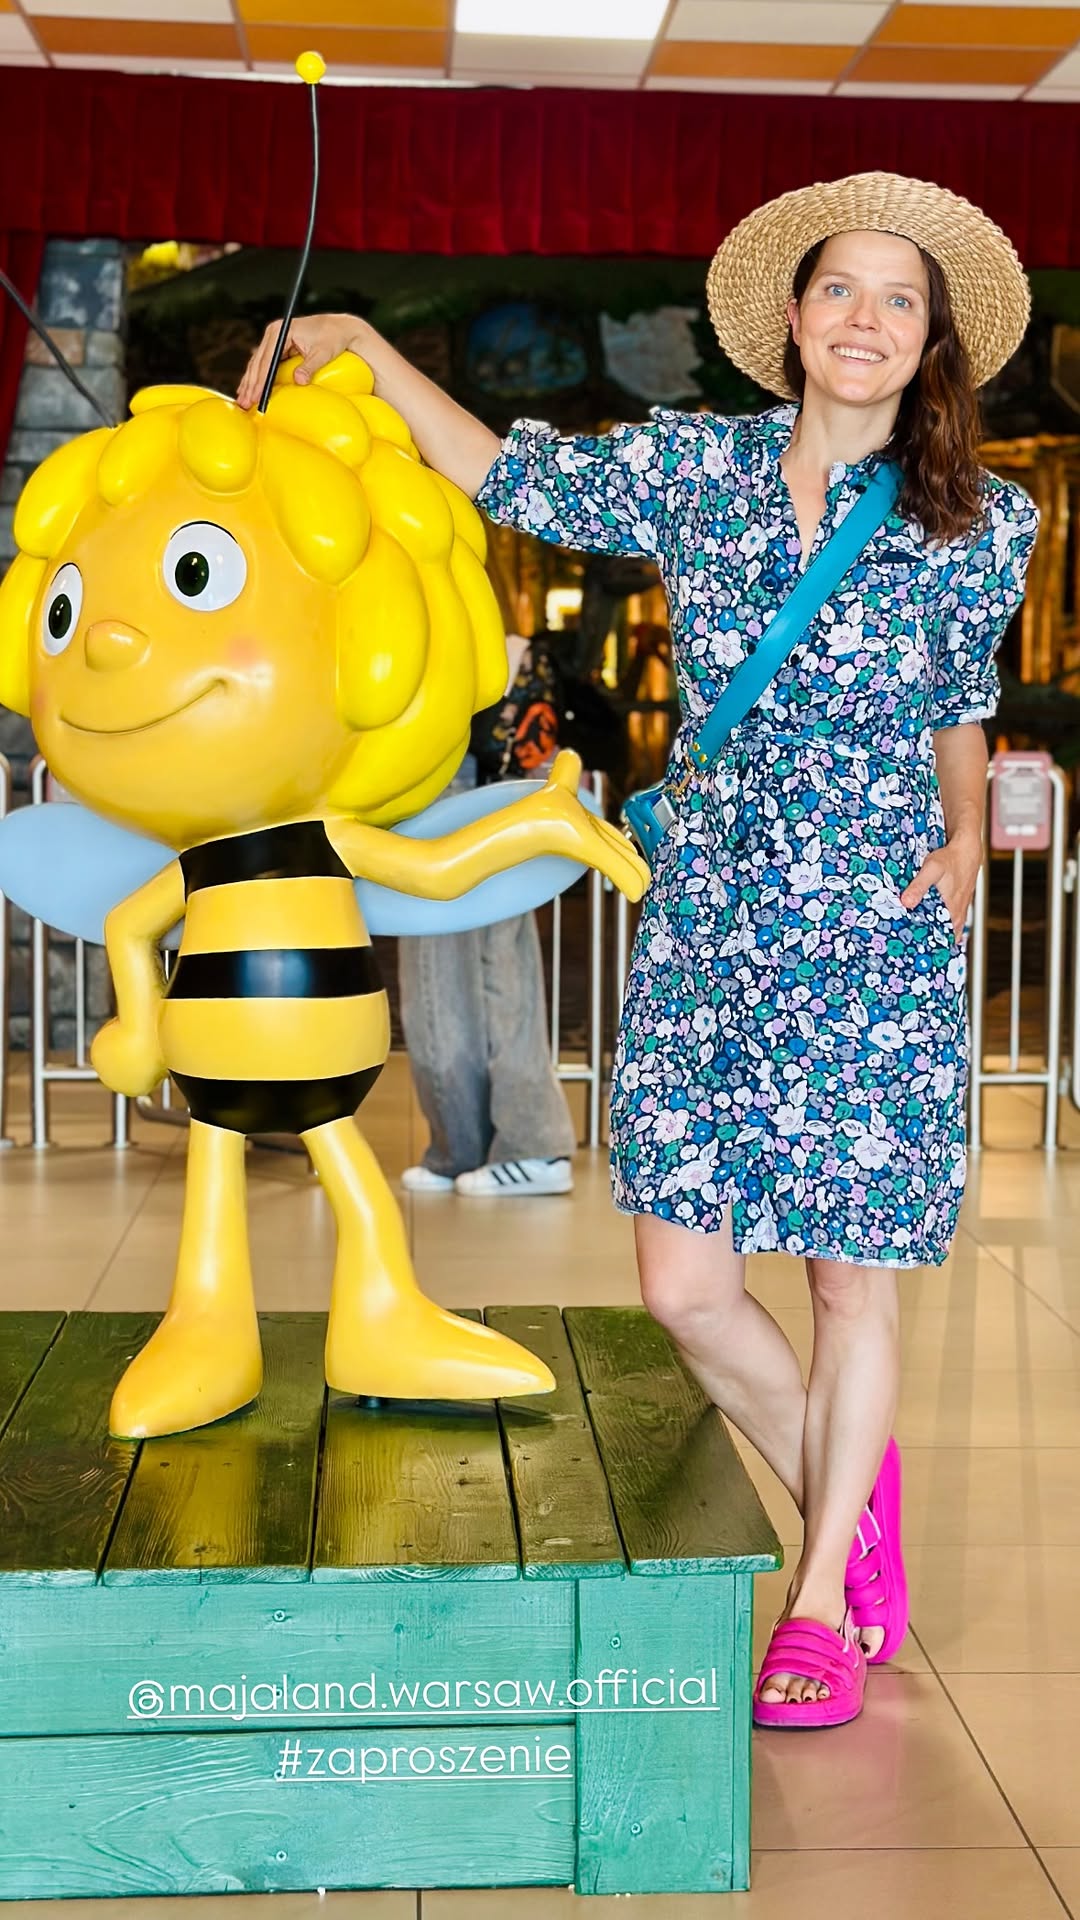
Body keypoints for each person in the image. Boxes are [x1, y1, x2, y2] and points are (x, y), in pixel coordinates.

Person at [238, 171, 1038, 1728]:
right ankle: (849, 1487)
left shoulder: (976, 518)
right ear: (792, 317)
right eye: (841, 290)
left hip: (870, 927)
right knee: (682, 1284)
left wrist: (963, 838)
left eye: (900, 300)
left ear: (929, 338)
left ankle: (821, 1600)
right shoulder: (699, 468)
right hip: (713, 920)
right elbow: (513, 475)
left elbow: (960, 697)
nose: (866, 319)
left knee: (852, 1287)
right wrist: (369, 354)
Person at [398, 570, 577, 1200]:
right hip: (431, 812)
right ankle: (457, 1147)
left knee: (503, 974)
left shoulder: (515, 653)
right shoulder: (408, 650)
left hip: (494, 812)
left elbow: (536, 751)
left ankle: (533, 1145)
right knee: (431, 983)